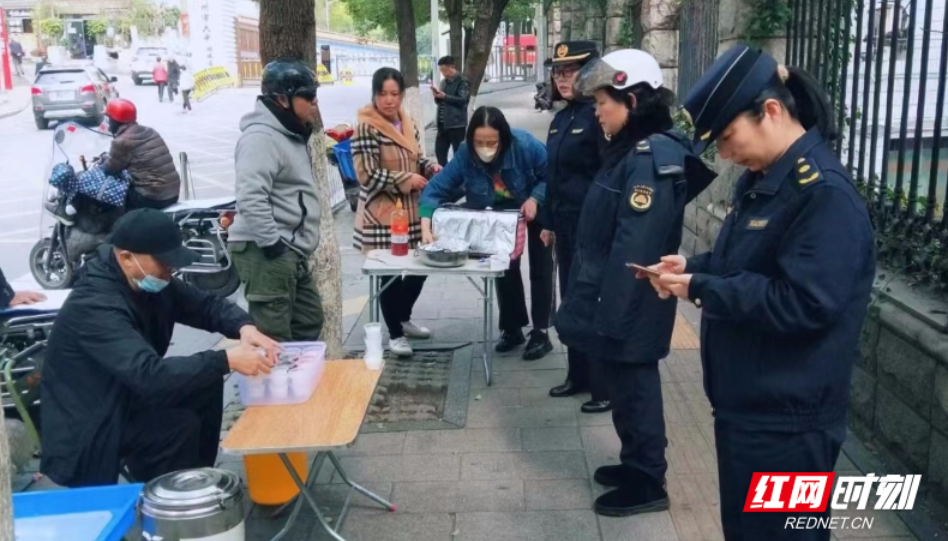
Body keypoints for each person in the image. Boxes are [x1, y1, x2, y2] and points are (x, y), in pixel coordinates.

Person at [645, 45, 875, 541]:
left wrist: (703, 289)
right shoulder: (769, 178)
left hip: (789, 424)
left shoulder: (823, 195)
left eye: (728, 137)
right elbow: (746, 262)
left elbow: (804, 302)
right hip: (752, 412)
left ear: (771, 111)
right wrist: (693, 267)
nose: (724, 154)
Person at [555, 49, 715, 517]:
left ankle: (648, 480)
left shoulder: (649, 157)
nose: (598, 111)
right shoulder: (629, 151)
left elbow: (635, 247)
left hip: (633, 298)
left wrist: (610, 312)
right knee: (623, 384)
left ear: (631, 99)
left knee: (635, 383)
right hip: (619, 296)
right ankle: (634, 463)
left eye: (604, 102)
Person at [41, 209, 279, 487]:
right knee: (178, 427)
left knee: (204, 384)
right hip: (93, 418)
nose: (170, 270)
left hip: (127, 392)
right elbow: (149, 375)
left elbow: (205, 306)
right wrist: (227, 359)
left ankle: (197, 481)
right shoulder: (94, 305)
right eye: (164, 262)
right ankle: (173, 503)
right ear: (127, 257)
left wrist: (244, 327)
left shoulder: (151, 281)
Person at [421, 106, 555, 360]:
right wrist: (426, 223)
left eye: (491, 142)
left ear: (503, 138)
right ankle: (512, 328)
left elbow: (552, 176)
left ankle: (540, 332)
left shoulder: (525, 145)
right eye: (479, 142)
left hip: (536, 208)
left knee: (541, 268)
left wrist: (535, 198)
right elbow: (436, 188)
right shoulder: (465, 154)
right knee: (503, 267)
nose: (485, 148)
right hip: (499, 213)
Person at [229, 59, 324, 343]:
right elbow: (250, 194)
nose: (314, 103)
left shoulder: (288, 133)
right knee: (274, 335)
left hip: (289, 248)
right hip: (267, 249)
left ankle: (296, 383)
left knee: (308, 320)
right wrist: (272, 245)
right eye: (308, 96)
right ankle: (273, 386)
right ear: (282, 98)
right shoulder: (261, 137)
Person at [538, 40, 610, 414]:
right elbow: (553, 177)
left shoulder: (598, 115)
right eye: (558, 71)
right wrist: (548, 221)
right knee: (570, 299)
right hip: (564, 227)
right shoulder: (561, 119)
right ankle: (577, 375)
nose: (562, 78)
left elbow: (606, 174)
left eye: (571, 71)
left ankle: (603, 385)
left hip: (592, 227)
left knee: (592, 302)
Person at [352, 67, 442, 357]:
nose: (389, 100)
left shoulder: (409, 122)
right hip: (381, 213)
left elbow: (417, 157)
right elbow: (366, 175)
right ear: (375, 94)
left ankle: (402, 317)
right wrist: (405, 180)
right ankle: (394, 334)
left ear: (402, 94)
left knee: (421, 265)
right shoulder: (366, 126)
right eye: (383, 94)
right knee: (387, 272)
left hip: (412, 209)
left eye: (394, 93)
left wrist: (429, 167)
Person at [102, 99, 181, 210]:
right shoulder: (149, 131)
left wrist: (104, 161)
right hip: (173, 192)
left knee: (111, 198)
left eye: (109, 119)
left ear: (115, 120)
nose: (108, 123)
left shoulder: (121, 142)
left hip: (153, 197)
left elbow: (110, 169)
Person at [432, 56, 470, 166]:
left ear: (451, 67)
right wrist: (437, 96)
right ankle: (445, 175)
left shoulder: (462, 81)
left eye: (444, 70)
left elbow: (463, 100)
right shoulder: (444, 82)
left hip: (456, 124)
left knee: (458, 154)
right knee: (440, 152)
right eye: (441, 71)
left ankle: (459, 178)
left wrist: (445, 96)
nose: (443, 73)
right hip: (443, 125)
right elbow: (442, 102)